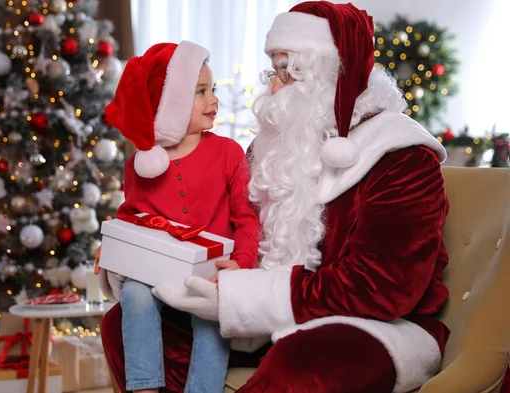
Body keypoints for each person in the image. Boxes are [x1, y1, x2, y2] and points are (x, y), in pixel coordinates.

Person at [102, 2, 452, 393]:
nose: (272, 88)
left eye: (287, 73)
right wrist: (142, 261)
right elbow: (231, 227)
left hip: (375, 327)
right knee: (122, 323)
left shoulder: (402, 158)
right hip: (258, 318)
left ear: (331, 75)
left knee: (302, 362)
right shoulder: (273, 149)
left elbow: (382, 289)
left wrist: (241, 298)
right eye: (274, 71)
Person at [96, 40, 261, 393]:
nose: (213, 100)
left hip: (211, 273)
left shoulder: (228, 153)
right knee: (134, 293)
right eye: (201, 92)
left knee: (211, 316)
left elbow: (247, 218)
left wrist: (243, 261)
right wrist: (111, 252)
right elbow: (129, 220)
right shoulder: (140, 167)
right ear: (168, 104)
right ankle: (144, 386)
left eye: (212, 89)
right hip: (157, 270)